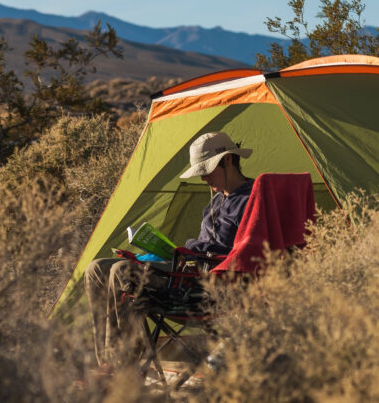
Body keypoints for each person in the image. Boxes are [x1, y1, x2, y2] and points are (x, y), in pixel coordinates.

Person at [84, 132, 254, 368]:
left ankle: (122, 366)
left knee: (124, 271)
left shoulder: (252, 199)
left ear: (227, 160)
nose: (203, 178)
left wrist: (194, 249)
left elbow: (244, 251)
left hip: (210, 282)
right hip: (188, 270)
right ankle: (107, 361)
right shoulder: (215, 200)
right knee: (96, 268)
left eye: (206, 171)